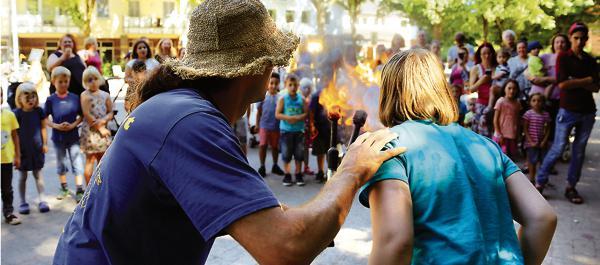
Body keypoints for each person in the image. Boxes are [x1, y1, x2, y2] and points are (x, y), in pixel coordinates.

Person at [53, 1, 404, 264]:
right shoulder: (191, 122)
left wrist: (302, 217)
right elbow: (285, 249)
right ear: (255, 69)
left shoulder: (179, 110)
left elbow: (240, 215)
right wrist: (353, 169)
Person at [360, 49, 557, 265]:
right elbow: (542, 218)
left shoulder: (390, 148)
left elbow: (394, 242)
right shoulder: (485, 146)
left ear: (389, 92)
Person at [535, 22, 599, 204]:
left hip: (587, 112)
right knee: (557, 147)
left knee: (578, 152)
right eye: (576, 38)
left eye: (582, 38)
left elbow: (596, 86)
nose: (579, 41)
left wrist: (575, 81)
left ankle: (571, 187)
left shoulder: (590, 60)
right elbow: (562, 84)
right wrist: (586, 80)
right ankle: (540, 181)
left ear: (586, 40)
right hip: (568, 110)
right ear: (571, 38)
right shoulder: (563, 57)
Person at [44, 67, 85, 202]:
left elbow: (81, 116)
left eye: (66, 81)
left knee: (77, 162)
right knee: (61, 163)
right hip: (58, 138)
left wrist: (73, 124)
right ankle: (64, 187)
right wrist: (56, 126)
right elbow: (44, 118)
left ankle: (79, 188)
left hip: (73, 136)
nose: (63, 84)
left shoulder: (74, 98)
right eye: (60, 81)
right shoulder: (51, 100)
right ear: (53, 82)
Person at [13, 83, 49, 214]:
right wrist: (15, 153)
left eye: (33, 96)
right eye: (27, 97)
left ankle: (42, 199)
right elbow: (14, 134)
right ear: (19, 99)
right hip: (22, 151)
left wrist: (45, 144)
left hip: (36, 149)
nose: (31, 99)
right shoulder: (17, 114)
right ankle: (23, 202)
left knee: (38, 174)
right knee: (22, 177)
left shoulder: (39, 111)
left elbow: (43, 127)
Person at [80, 67, 113, 184]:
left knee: (103, 161)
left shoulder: (105, 95)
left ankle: (101, 186)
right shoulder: (85, 95)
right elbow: (87, 114)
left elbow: (111, 112)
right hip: (90, 133)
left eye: (95, 78)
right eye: (89, 80)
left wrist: (104, 121)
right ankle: (88, 189)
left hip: (103, 132)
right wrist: (101, 128)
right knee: (90, 160)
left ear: (99, 79)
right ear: (85, 82)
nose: (93, 82)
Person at [275, 73, 307, 186]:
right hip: (286, 131)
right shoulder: (283, 99)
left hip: (299, 131)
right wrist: (289, 118)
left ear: (298, 85)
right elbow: (277, 114)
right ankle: (287, 174)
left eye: (295, 85)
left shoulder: (301, 99)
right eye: (290, 85)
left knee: (299, 153)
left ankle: (298, 174)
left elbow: (306, 113)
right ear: (286, 85)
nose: (293, 87)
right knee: (286, 153)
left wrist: (299, 117)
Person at [256, 72, 285, 177]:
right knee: (262, 145)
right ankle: (262, 166)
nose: (273, 85)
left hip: (276, 127)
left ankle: (275, 165)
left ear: (278, 84)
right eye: (271, 83)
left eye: (276, 83)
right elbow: (259, 112)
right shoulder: (263, 97)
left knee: (275, 147)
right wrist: (257, 124)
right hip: (264, 126)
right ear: (268, 84)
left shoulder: (280, 98)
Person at [1, 89, 22, 225]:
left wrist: (18, 156)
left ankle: (8, 212)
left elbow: (15, 137)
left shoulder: (9, 116)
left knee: (7, 188)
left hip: (6, 159)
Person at [469, 43, 497, 137]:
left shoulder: (498, 67)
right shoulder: (476, 68)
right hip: (481, 106)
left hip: (497, 105)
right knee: (482, 135)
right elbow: (471, 89)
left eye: (489, 53)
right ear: (480, 55)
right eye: (484, 53)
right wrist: (481, 81)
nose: (487, 56)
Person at [523, 93, 551, 183]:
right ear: (530, 102)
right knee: (532, 162)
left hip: (542, 143)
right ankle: (532, 179)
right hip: (531, 143)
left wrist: (544, 141)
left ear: (543, 103)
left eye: (539, 101)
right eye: (534, 100)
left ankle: (541, 180)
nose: (536, 103)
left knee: (543, 162)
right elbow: (525, 129)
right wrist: (530, 141)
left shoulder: (546, 115)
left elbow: (548, 129)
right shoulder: (528, 114)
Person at [493, 80, 522, 158]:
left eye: (514, 88)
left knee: (510, 156)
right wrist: (499, 134)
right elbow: (495, 119)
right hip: (501, 135)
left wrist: (518, 134)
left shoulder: (517, 103)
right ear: (504, 89)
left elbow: (518, 119)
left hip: (512, 134)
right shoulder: (500, 101)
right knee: (501, 156)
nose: (512, 91)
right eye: (509, 88)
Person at [309, 87, 331, 183]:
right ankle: (320, 171)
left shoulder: (337, 91)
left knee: (331, 152)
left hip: (332, 128)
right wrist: (312, 125)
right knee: (320, 152)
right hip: (319, 128)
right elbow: (311, 112)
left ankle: (330, 172)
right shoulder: (316, 95)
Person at [299, 77, 315, 175]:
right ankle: (299, 168)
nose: (307, 90)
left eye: (309, 88)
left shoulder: (311, 99)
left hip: (307, 127)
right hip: (299, 127)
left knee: (305, 149)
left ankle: (306, 166)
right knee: (299, 149)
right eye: (305, 87)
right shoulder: (299, 99)